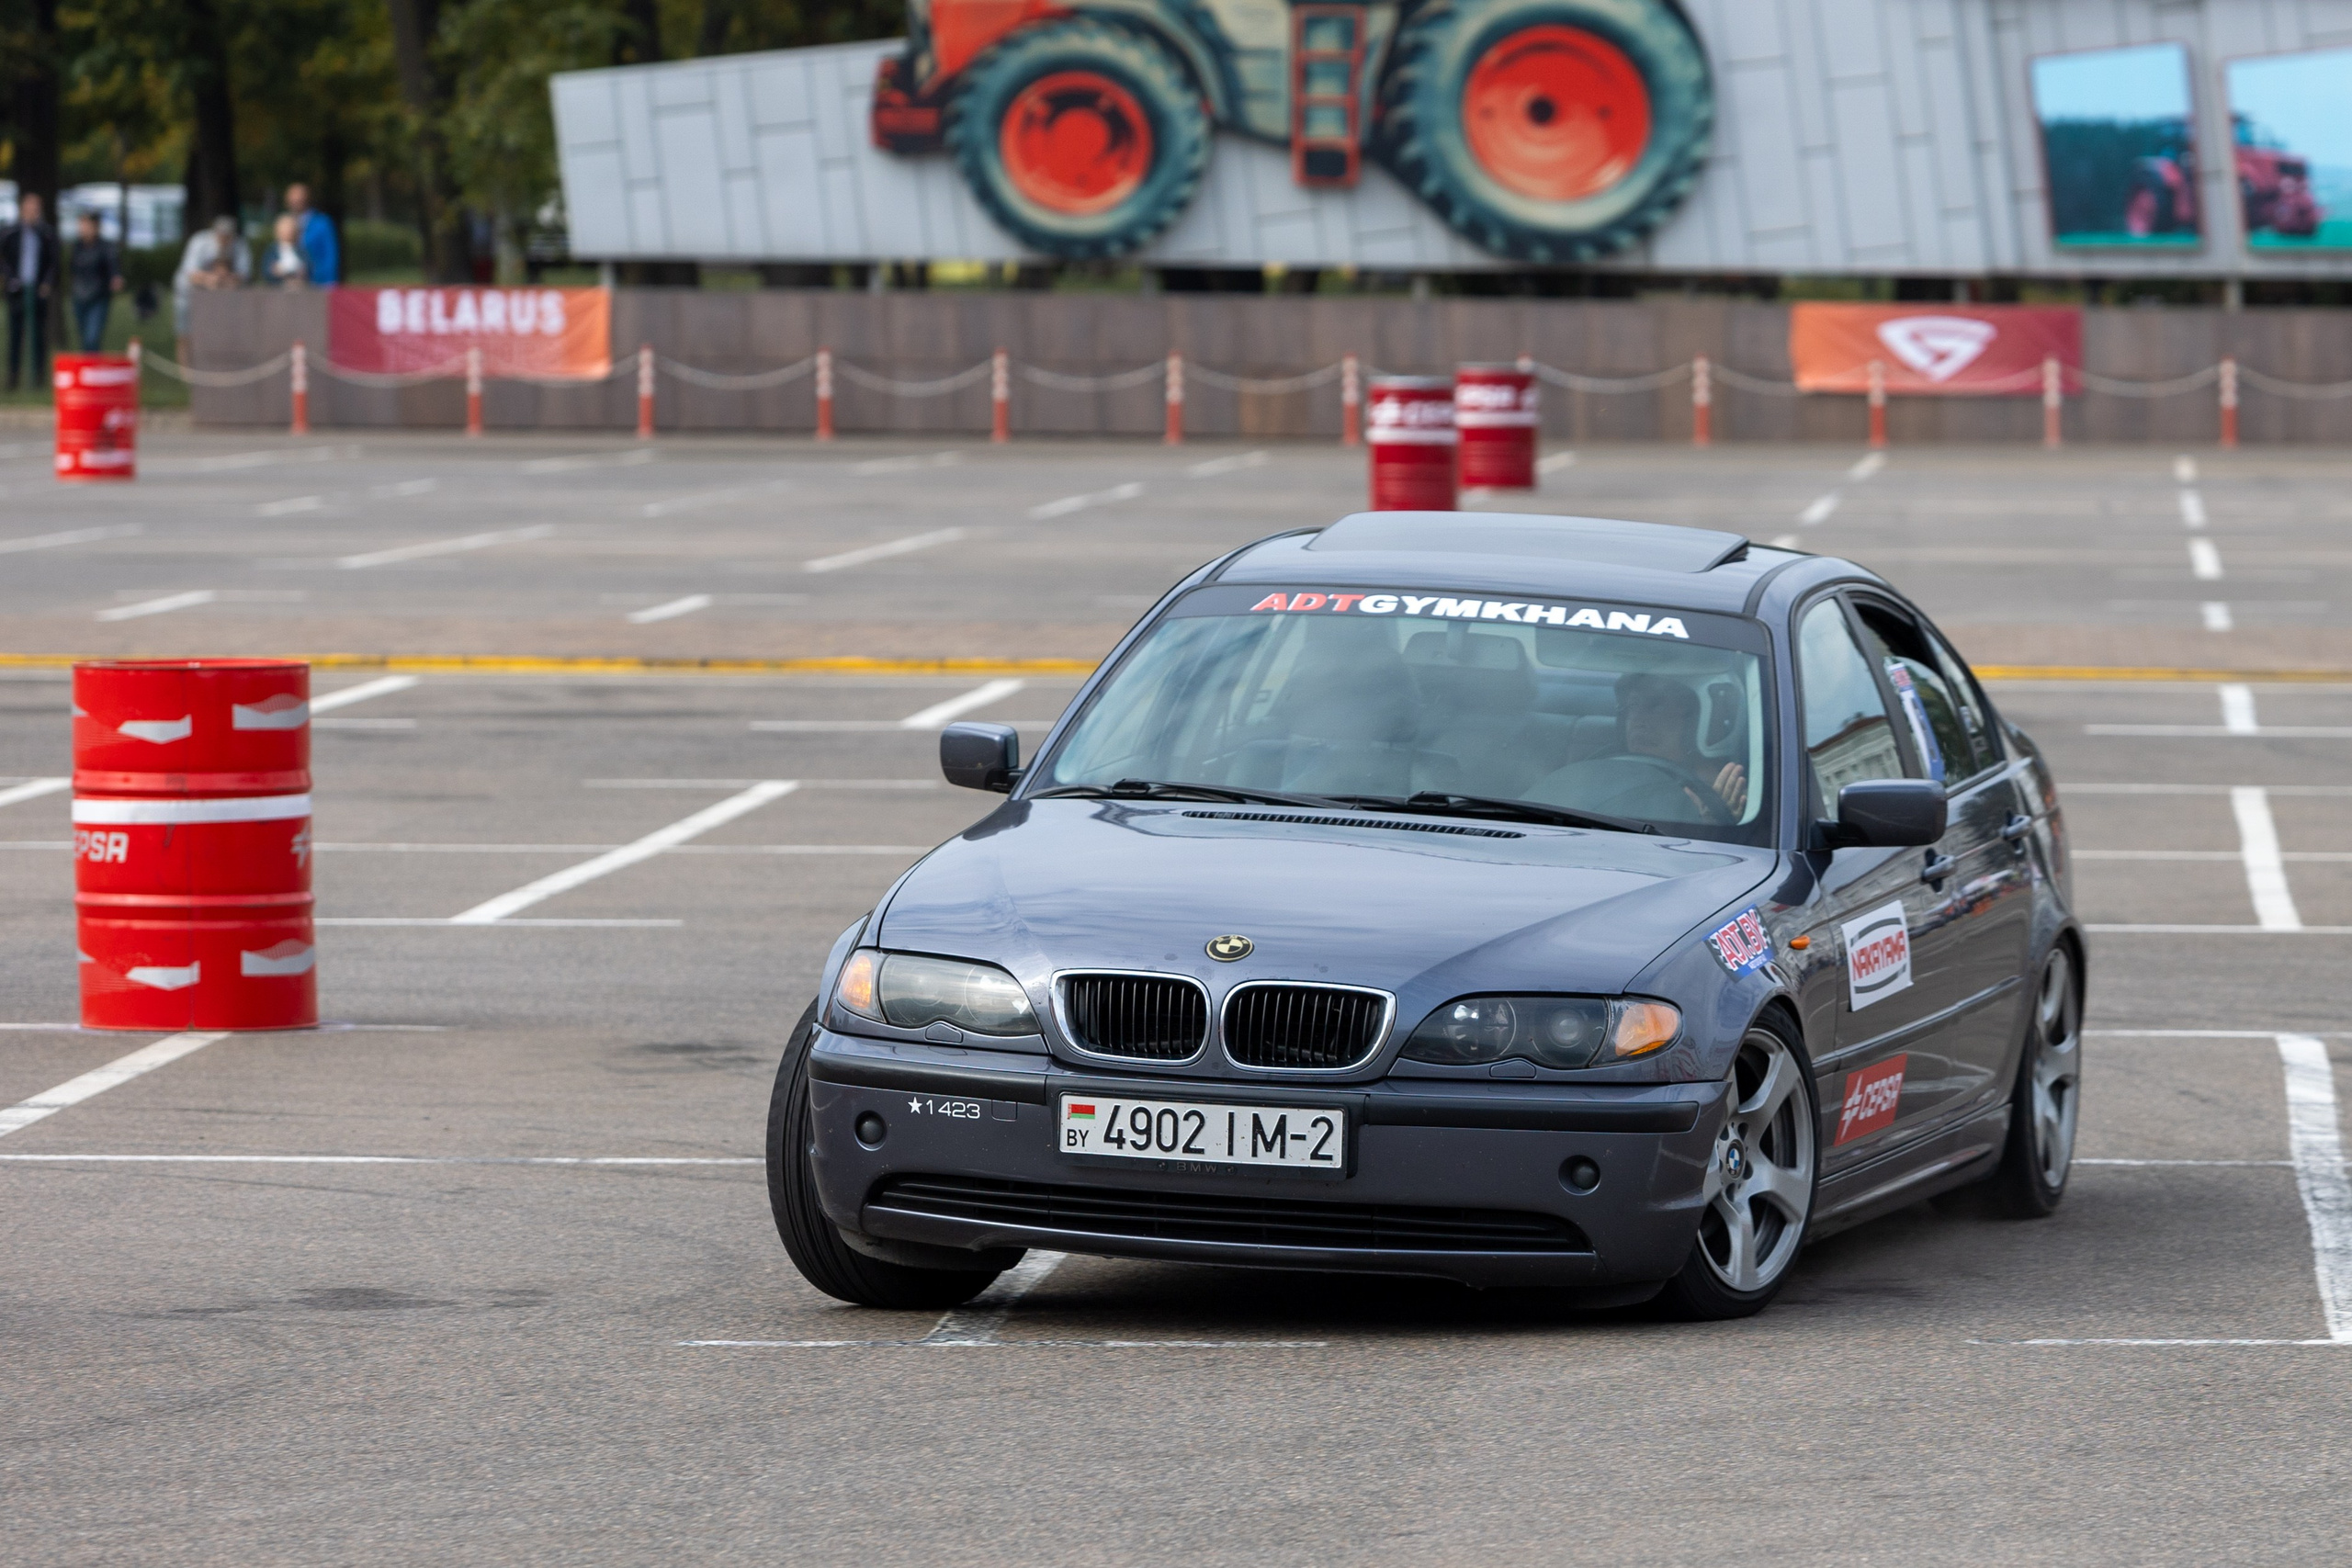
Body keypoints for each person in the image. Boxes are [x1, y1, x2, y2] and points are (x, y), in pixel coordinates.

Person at [1617, 671, 1747, 818]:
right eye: (1633, 706)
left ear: (1693, 723)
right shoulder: (1603, 770)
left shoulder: (1724, 790)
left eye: (1656, 707)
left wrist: (1716, 823)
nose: (1637, 720)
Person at [1, 191, 60, 390]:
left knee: (38, 335)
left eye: (36, 209)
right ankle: (13, 377)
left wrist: (46, 283)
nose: (32, 212)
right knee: (15, 334)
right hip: (16, 290)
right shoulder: (10, 232)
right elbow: (4, 259)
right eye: (29, 208)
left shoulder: (46, 233)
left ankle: (38, 377)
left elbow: (54, 261)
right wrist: (10, 279)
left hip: (37, 290)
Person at [172, 214, 250, 339]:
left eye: (228, 236)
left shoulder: (238, 245)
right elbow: (191, 273)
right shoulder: (200, 241)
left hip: (220, 299)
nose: (225, 239)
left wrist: (225, 279)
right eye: (221, 235)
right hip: (189, 292)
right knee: (186, 333)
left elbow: (244, 274)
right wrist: (211, 279)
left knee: (216, 335)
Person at [68, 209, 125, 351]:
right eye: (81, 225)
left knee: (92, 337)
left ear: (95, 227)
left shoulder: (105, 247)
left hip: (98, 296)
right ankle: (89, 366)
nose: (83, 229)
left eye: (86, 225)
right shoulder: (77, 247)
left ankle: (92, 367)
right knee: (84, 338)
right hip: (79, 296)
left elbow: (113, 265)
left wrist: (115, 278)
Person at [284, 184, 338, 286]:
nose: (296, 202)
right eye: (293, 200)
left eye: (299, 199)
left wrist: (329, 283)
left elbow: (330, 256)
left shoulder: (322, 223)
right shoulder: (284, 223)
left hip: (317, 284)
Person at [264, 213, 307, 288]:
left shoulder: (301, 251)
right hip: (278, 289)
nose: (288, 233)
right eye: (284, 230)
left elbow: (307, 267)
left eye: (290, 230)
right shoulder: (272, 251)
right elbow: (268, 271)